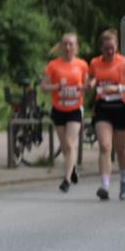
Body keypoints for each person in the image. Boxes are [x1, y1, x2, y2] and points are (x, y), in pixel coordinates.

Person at [87, 29, 125, 201]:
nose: (109, 52)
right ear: (100, 48)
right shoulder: (95, 63)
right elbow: (90, 80)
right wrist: (91, 83)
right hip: (103, 107)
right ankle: (104, 185)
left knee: (120, 149)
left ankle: (124, 179)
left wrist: (117, 88)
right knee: (104, 146)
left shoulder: (124, 63)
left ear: (116, 47)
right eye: (106, 49)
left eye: (112, 48)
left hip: (122, 107)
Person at [40, 33, 89, 193]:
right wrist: (56, 87)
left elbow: (88, 85)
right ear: (61, 47)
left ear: (76, 47)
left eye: (71, 44)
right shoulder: (53, 65)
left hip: (75, 109)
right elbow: (44, 87)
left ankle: (66, 180)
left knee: (69, 143)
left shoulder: (82, 65)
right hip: (58, 109)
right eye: (65, 44)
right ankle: (72, 168)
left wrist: (85, 87)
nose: (68, 47)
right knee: (64, 146)